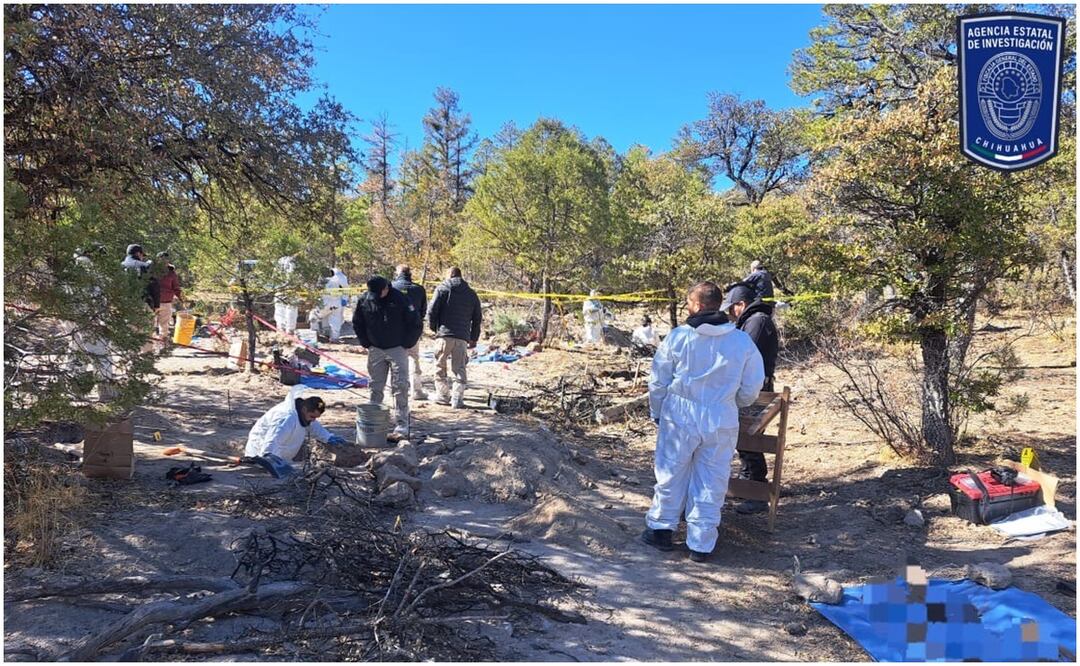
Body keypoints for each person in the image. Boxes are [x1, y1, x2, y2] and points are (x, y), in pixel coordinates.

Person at [641, 281, 764, 562]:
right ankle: (701, 543)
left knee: (671, 473)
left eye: (688, 302)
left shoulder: (679, 337)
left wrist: (658, 411)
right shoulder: (740, 341)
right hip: (720, 416)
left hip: (680, 414)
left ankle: (661, 530)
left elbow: (658, 381)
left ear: (696, 305)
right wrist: (733, 403)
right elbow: (752, 385)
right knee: (712, 478)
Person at [721, 281, 780, 515]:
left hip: (755, 391)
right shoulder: (755, 320)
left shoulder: (756, 322)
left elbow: (746, 356)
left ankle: (756, 491)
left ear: (741, 304)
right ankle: (748, 485)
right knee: (745, 439)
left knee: (750, 437)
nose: (729, 313)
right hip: (753, 389)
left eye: (731, 308)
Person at [353, 275, 422, 440]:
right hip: (375, 348)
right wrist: (366, 342)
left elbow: (416, 323)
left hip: (398, 348)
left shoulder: (401, 299)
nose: (376, 296)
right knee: (375, 386)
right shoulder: (365, 299)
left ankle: (402, 424)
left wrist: (407, 343)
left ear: (386, 288)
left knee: (400, 386)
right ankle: (374, 424)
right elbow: (357, 322)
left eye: (379, 292)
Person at [244, 387, 346, 478]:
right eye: (312, 417)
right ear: (304, 409)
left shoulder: (303, 413)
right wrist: (266, 458)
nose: (313, 420)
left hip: (281, 455)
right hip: (261, 449)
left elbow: (314, 426)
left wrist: (328, 437)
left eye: (316, 417)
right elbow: (272, 438)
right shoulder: (286, 418)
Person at [427, 267, 482, 408]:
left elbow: (432, 310)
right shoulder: (471, 294)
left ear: (448, 275)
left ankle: (443, 395)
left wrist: (433, 327)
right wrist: (473, 338)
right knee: (459, 368)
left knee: (440, 366)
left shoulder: (442, 289)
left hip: (444, 335)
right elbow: (477, 318)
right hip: (463, 337)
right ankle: (457, 399)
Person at [392, 265, 429, 400]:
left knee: (396, 360)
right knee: (414, 358)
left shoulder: (391, 287)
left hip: (394, 330)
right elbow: (424, 310)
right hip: (413, 330)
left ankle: (397, 388)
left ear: (398, 273)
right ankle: (416, 390)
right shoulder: (419, 289)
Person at [313, 267, 349, 342]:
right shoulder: (338, 279)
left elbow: (316, 290)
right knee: (336, 320)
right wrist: (344, 299)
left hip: (324, 303)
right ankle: (334, 338)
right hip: (336, 303)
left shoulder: (322, 280)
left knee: (314, 317)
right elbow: (345, 289)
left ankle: (313, 335)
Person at [154, 251, 182, 347]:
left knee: (164, 326)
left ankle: (162, 345)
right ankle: (150, 346)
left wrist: (181, 297)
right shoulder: (151, 270)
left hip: (166, 302)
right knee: (150, 325)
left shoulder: (171, 273)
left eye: (166, 259)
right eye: (162, 258)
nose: (164, 261)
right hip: (152, 302)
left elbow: (176, 287)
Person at [273, 255, 299, 334]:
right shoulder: (294, 263)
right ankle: (290, 329)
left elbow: (274, 276)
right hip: (292, 289)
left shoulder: (280, 262)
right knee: (291, 309)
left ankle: (281, 328)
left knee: (280, 309)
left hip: (280, 288)